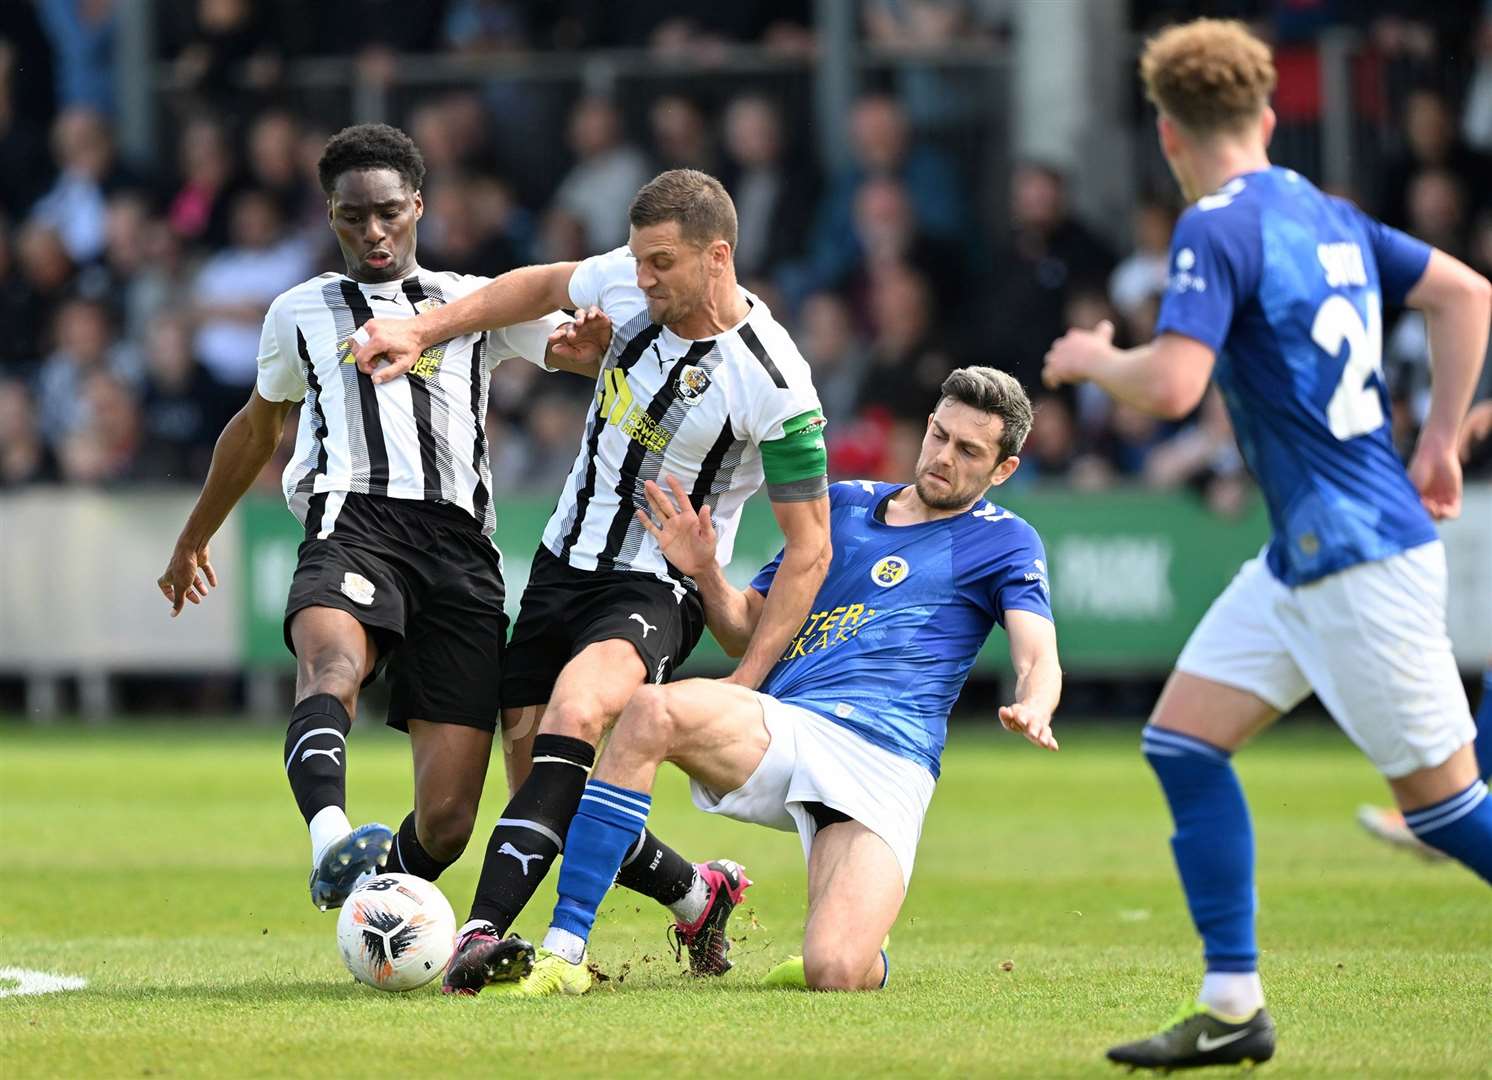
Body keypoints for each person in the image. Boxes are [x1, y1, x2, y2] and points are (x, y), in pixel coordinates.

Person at [1042, 19, 1492, 1072]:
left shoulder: (1212, 226)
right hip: (1308, 555)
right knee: (1182, 743)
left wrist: (1095, 359)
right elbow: (1467, 292)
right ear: (1269, 115)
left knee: (1448, 815)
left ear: (1166, 135)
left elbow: (1173, 386)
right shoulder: (1319, 209)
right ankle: (1233, 1005)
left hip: (1356, 559)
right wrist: (1436, 446)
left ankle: (1234, 1000)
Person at [349, 167, 833, 994]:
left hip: (656, 582)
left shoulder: (775, 383)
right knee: (545, 776)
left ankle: (481, 933)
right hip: (560, 563)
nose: (640, 279)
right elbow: (539, 284)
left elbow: (811, 548)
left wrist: (748, 681)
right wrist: (424, 332)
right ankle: (697, 892)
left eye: (662, 265)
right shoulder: (628, 283)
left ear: (718, 257)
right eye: (637, 261)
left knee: (578, 710)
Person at [154, 125, 608, 968]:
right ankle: (330, 833)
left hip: (461, 552)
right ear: (330, 216)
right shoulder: (300, 312)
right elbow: (257, 431)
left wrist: (586, 352)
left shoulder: (471, 303)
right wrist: (193, 538)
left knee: (447, 820)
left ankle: (381, 914)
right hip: (353, 520)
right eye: (353, 216)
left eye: (388, 213)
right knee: (333, 670)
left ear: (419, 208)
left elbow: (577, 351)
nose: (373, 232)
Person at [501, 367, 1060, 996]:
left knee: (835, 970)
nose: (942, 457)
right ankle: (565, 949)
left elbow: (1038, 652)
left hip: (887, 759)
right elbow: (747, 631)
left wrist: (1035, 703)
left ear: (1003, 470)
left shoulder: (1006, 540)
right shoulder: (843, 506)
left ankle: (834, 941)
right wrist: (707, 572)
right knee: (652, 711)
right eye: (940, 435)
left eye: (969, 451)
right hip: (786, 728)